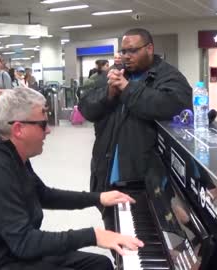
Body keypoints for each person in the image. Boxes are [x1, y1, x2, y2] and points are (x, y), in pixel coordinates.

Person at [0, 87, 144, 270]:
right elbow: (24, 242)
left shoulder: (12, 152)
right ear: (18, 129)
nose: (48, 131)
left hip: (12, 250)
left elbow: (43, 194)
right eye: (42, 124)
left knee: (100, 264)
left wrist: (98, 198)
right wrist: (93, 236)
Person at [78, 28, 192, 233]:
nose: (126, 56)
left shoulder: (169, 76)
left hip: (144, 183)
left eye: (132, 51)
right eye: (123, 51)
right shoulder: (113, 74)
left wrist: (127, 89)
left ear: (149, 48)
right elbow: (86, 107)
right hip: (106, 177)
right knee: (115, 238)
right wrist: (109, 93)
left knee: (144, 239)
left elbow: (174, 106)